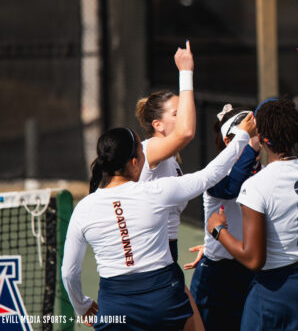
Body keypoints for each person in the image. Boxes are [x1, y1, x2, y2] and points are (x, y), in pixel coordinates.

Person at [206, 45, 298, 331]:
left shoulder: (255, 187)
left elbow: (253, 258)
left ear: (264, 140)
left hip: (276, 297)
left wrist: (218, 230)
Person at [61, 119, 255, 330]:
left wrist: (81, 305)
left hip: (114, 307)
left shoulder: (83, 208)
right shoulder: (155, 192)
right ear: (134, 163)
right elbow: (208, 176)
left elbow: (69, 273)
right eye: (142, 151)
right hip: (164, 300)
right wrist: (243, 136)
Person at [135, 40, 203, 330]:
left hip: (167, 261)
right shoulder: (149, 150)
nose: (184, 115)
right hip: (147, 266)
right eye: (175, 113)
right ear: (158, 125)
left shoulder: (172, 160)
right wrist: (185, 72)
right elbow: (187, 131)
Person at [188, 104, 261, 330]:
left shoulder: (265, 171)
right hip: (217, 277)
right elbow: (231, 188)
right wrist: (249, 146)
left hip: (251, 270)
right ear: (231, 142)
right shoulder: (217, 173)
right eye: (251, 134)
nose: (258, 138)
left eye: (258, 132)